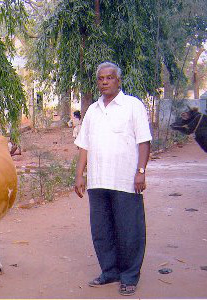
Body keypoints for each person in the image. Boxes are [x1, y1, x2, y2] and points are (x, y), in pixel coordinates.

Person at [74, 62, 152, 296]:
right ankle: (109, 271)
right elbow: (84, 145)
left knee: (129, 230)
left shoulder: (132, 106)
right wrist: (79, 174)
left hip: (126, 181)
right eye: (101, 78)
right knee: (102, 230)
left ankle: (129, 276)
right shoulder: (92, 110)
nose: (105, 81)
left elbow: (144, 142)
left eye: (109, 78)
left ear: (118, 81)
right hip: (98, 181)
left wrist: (140, 172)